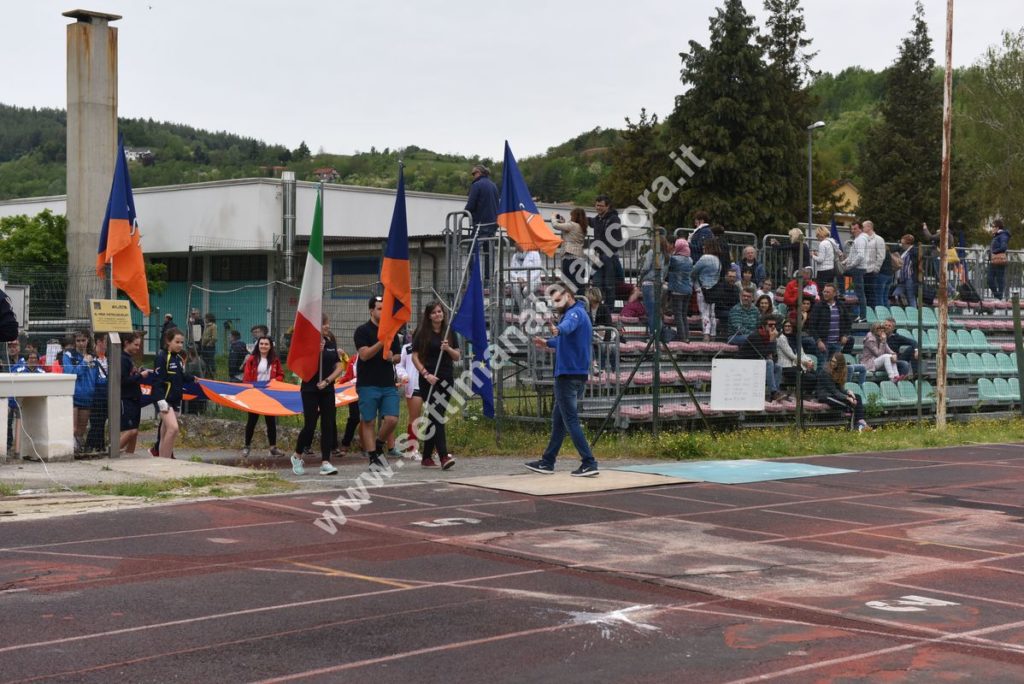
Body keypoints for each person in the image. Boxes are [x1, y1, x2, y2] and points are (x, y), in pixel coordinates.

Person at [525, 284, 598, 476]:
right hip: (576, 374)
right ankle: (548, 461)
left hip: (568, 375)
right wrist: (547, 342)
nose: (555, 304)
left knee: (571, 420)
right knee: (559, 421)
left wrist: (557, 329)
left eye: (558, 300)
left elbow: (566, 329)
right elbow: (565, 339)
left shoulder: (575, 314)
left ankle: (589, 462)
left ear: (568, 296)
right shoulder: (580, 313)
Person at [411, 301, 461, 469]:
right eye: (434, 312)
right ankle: (443, 456)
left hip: (446, 378)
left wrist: (448, 349)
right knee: (437, 415)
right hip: (429, 380)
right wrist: (425, 374)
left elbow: (457, 356)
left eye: (439, 312)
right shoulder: (422, 332)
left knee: (434, 416)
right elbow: (415, 357)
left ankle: (426, 456)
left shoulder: (449, 331)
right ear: (428, 315)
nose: (437, 315)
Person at [354, 296, 403, 469]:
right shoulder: (362, 331)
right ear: (371, 311)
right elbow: (364, 355)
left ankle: (379, 443)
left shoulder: (393, 332)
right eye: (379, 309)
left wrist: (393, 357)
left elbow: (398, 357)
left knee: (391, 419)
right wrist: (382, 342)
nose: (383, 312)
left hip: (388, 383)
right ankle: (373, 456)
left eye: (385, 309)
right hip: (367, 383)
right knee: (368, 421)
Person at [292, 315, 343, 476]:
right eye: (323, 324)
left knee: (328, 424)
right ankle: (297, 456)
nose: (327, 326)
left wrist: (327, 380)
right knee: (310, 424)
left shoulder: (330, 343)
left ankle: (326, 461)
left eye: (327, 323)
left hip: (327, 388)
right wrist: (315, 352)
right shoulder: (305, 345)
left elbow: (339, 366)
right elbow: (299, 366)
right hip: (309, 389)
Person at [149, 328, 194, 459]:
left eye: (182, 342)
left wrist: (193, 379)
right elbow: (157, 381)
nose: (180, 345)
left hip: (176, 400)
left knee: (164, 433)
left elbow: (181, 377)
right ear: (168, 341)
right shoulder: (162, 357)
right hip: (164, 400)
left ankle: (161, 459)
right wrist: (161, 400)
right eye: (177, 342)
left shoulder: (179, 358)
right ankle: (166, 461)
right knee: (173, 429)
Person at [241, 336, 286, 458]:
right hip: (255, 394)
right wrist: (249, 391)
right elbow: (246, 378)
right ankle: (246, 446)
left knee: (271, 421)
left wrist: (275, 381)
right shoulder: (252, 359)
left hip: (269, 395)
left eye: (266, 344)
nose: (263, 346)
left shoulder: (275, 360)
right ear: (258, 345)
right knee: (252, 421)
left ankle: (273, 447)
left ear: (270, 346)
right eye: (261, 344)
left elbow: (281, 375)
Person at [816, 352, 871, 432]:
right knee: (850, 405)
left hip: (834, 394)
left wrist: (848, 392)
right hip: (826, 396)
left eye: (835, 362)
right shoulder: (826, 372)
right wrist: (847, 397)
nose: (833, 363)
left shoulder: (838, 371)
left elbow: (840, 389)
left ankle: (861, 422)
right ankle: (858, 426)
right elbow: (834, 391)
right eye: (832, 361)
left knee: (857, 397)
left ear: (840, 363)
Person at [735, 315, 784, 402]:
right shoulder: (756, 335)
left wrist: (772, 341)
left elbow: (773, 354)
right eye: (770, 325)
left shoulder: (771, 335)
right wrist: (772, 340)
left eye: (774, 325)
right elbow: (763, 353)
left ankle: (775, 391)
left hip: (758, 362)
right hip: (745, 362)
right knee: (769, 362)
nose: (773, 327)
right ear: (764, 326)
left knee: (778, 367)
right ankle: (773, 392)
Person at [118, 332, 152, 455]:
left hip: (134, 398)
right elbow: (122, 380)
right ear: (126, 343)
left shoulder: (129, 358)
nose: (138, 348)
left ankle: (129, 455)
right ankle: (112, 452)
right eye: (136, 345)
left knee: (135, 431)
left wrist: (139, 373)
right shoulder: (122, 359)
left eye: (139, 345)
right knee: (130, 430)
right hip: (126, 398)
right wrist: (139, 375)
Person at [466, 164, 500, 283]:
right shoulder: (494, 186)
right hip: (493, 224)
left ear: (479, 173)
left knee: (471, 250)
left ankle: (474, 279)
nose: (473, 176)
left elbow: (470, 205)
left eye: (473, 174)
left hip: (481, 224)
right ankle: (488, 278)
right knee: (488, 252)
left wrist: (466, 213)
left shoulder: (477, 185)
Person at [589, 195, 623, 311]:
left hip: (609, 256)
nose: (598, 207)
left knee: (609, 285)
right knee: (596, 284)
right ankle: (597, 310)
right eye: (597, 205)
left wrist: (605, 251)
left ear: (607, 206)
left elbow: (618, 240)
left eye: (601, 206)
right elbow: (589, 221)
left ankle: (608, 311)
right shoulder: (597, 219)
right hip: (598, 256)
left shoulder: (614, 219)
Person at [62, 330, 93, 453]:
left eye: (83, 340)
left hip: (87, 396)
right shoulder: (68, 355)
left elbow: (93, 376)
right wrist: (84, 363)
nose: (81, 343)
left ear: (88, 341)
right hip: (74, 395)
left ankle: (78, 449)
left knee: (81, 429)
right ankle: (69, 450)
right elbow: (70, 373)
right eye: (78, 341)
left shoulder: (92, 356)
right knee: (73, 428)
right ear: (75, 342)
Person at [809, 283, 852, 367]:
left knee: (835, 367)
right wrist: (818, 341)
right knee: (822, 366)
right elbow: (812, 325)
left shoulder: (841, 306)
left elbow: (848, 322)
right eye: (824, 292)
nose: (825, 294)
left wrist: (845, 335)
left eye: (828, 292)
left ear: (834, 293)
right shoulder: (818, 306)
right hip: (823, 343)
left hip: (837, 343)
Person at [691, 236, 724, 342]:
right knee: (712, 314)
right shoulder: (718, 260)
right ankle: (713, 334)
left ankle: (706, 335)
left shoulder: (705, 258)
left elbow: (694, 271)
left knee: (704, 313)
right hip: (713, 289)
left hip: (703, 288)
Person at [639, 236, 672, 339]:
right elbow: (665, 272)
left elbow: (645, 267)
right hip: (660, 284)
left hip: (649, 283)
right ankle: (660, 334)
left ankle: (655, 335)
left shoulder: (651, 252)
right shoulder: (667, 256)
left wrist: (641, 276)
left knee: (651, 311)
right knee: (657, 311)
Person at [552, 208, 588, 294]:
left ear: (575, 216)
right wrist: (564, 222)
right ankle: (581, 304)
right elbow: (568, 231)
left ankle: (572, 305)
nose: (570, 217)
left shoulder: (572, 225)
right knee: (579, 286)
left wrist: (553, 217)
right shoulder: (582, 227)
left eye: (571, 215)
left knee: (569, 286)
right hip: (580, 259)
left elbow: (555, 225)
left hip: (569, 258)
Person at [396, 340, 422, 459]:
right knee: (415, 418)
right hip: (414, 385)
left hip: (431, 383)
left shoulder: (434, 345)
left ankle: (435, 449)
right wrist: (404, 375)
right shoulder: (407, 348)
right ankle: (412, 449)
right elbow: (399, 365)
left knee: (434, 417)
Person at [84, 333, 109, 453]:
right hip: (95, 395)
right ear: (99, 342)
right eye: (106, 341)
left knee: (102, 421)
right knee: (96, 422)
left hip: (106, 395)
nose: (107, 344)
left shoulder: (109, 358)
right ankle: (90, 445)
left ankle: (100, 445)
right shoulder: (92, 358)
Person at [667, 238, 693, 342]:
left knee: (678, 315)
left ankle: (682, 337)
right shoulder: (690, 260)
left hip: (677, 290)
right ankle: (687, 336)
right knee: (684, 315)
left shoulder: (674, 259)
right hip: (688, 290)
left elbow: (667, 268)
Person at [777, 318, 815, 387]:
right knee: (811, 378)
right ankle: (799, 395)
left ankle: (809, 394)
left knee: (815, 374)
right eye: (785, 326)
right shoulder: (781, 338)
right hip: (786, 366)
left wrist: (810, 361)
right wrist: (805, 363)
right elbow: (791, 356)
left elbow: (802, 353)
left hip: (797, 365)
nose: (787, 328)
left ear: (793, 328)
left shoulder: (796, 338)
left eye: (789, 326)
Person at [844, 220, 869, 321]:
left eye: (855, 228)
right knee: (851, 290)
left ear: (860, 229)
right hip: (855, 269)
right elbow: (852, 255)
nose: (853, 230)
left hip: (857, 269)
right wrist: (845, 262)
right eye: (852, 229)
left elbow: (860, 256)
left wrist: (850, 265)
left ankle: (863, 316)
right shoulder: (857, 239)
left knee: (860, 293)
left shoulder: (861, 239)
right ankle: (856, 313)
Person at [509, 242, 543, 311]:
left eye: (517, 243)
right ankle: (523, 309)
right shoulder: (515, 256)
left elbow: (537, 271)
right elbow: (511, 271)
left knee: (526, 291)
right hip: (519, 280)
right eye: (515, 243)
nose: (515, 244)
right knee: (514, 287)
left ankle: (535, 306)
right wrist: (518, 278)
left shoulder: (534, 254)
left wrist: (526, 280)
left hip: (533, 280)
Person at [893, 234, 919, 306]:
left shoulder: (913, 250)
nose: (901, 243)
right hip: (902, 277)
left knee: (911, 297)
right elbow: (893, 249)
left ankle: (913, 314)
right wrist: (899, 245)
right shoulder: (905, 250)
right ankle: (906, 309)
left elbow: (917, 261)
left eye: (902, 241)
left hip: (910, 277)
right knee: (895, 294)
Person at [988, 218, 1010, 300]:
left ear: (997, 227)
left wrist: (994, 251)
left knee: (1000, 280)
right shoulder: (996, 236)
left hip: (999, 260)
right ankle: (998, 296)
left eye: (993, 226)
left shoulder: (1003, 235)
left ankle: (1000, 298)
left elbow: (1004, 247)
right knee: (989, 280)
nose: (992, 228)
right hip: (993, 261)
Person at [200, 312, 218, 377]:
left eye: (206, 318)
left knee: (210, 359)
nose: (205, 319)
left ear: (209, 318)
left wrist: (209, 343)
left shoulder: (213, 326)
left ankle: (213, 372)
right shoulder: (206, 326)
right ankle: (207, 373)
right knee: (205, 360)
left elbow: (214, 337)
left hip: (209, 347)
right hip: (204, 346)